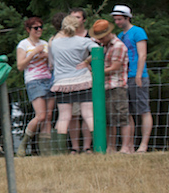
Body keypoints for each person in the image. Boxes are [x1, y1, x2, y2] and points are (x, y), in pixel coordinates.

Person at [48, 14, 95, 154]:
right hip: (83, 81)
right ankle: (98, 145)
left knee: (64, 116)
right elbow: (100, 50)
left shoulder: (53, 42)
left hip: (62, 83)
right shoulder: (82, 41)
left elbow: (51, 63)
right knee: (88, 114)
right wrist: (86, 61)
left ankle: (59, 151)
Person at [112, 5, 152, 153]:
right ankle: (128, 145)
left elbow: (142, 54)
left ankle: (144, 144)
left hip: (137, 75)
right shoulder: (120, 35)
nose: (117, 22)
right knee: (126, 112)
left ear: (127, 18)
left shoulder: (138, 32)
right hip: (123, 76)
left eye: (120, 19)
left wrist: (139, 75)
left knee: (143, 109)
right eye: (115, 19)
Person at [16, 17, 53, 157]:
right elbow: (20, 66)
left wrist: (46, 56)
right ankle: (24, 142)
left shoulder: (45, 43)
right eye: (35, 28)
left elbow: (51, 63)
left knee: (48, 116)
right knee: (41, 115)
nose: (39, 30)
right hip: (34, 81)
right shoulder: (23, 45)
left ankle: (46, 151)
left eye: (41, 27)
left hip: (48, 79)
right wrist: (33, 53)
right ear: (28, 30)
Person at [91, 19, 129, 153]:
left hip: (117, 86)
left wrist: (96, 71)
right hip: (105, 86)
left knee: (121, 117)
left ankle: (125, 147)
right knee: (108, 118)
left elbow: (115, 67)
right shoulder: (104, 46)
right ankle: (111, 147)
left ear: (107, 34)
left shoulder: (117, 46)